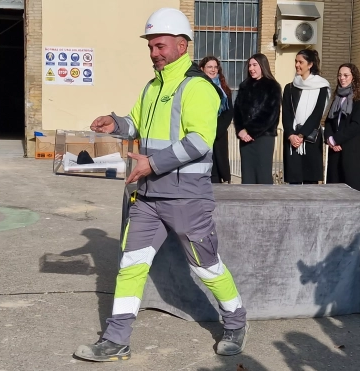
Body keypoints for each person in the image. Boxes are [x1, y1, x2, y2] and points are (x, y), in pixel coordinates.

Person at [74, 8, 248, 362]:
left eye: (161, 45)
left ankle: (236, 321)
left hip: (186, 198)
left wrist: (152, 163)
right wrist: (116, 122)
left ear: (182, 46)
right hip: (148, 196)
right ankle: (116, 338)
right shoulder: (153, 86)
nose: (154, 53)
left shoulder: (198, 87)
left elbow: (200, 141)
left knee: (205, 267)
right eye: (151, 46)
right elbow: (137, 124)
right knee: (131, 264)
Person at [282, 49, 330, 185]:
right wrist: (291, 135)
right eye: (296, 61)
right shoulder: (289, 88)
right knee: (294, 182)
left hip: (310, 139)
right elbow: (286, 113)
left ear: (310, 65)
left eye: (300, 62)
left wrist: (302, 135)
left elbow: (317, 114)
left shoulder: (322, 87)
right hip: (292, 141)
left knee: (311, 183)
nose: (297, 65)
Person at [233, 53, 281, 185]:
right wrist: (240, 130)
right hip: (245, 139)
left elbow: (269, 114)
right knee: (247, 174)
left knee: (262, 174)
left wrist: (250, 131)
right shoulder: (244, 86)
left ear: (263, 66)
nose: (251, 68)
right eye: (249, 65)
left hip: (263, 138)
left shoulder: (272, 86)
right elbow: (237, 110)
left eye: (255, 65)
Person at [324, 63, 360, 192]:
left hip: (351, 150)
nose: (342, 78)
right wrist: (329, 138)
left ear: (354, 77)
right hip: (335, 150)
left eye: (346, 75)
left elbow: (357, 125)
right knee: (334, 189)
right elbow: (329, 121)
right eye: (340, 75)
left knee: (351, 189)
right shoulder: (337, 98)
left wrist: (336, 139)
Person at [199, 56, 232, 184]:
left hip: (218, 135)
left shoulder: (224, 89)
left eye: (215, 67)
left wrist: (217, 129)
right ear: (202, 69)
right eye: (209, 67)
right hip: (202, 132)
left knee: (217, 171)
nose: (213, 70)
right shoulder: (198, 87)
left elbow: (229, 112)